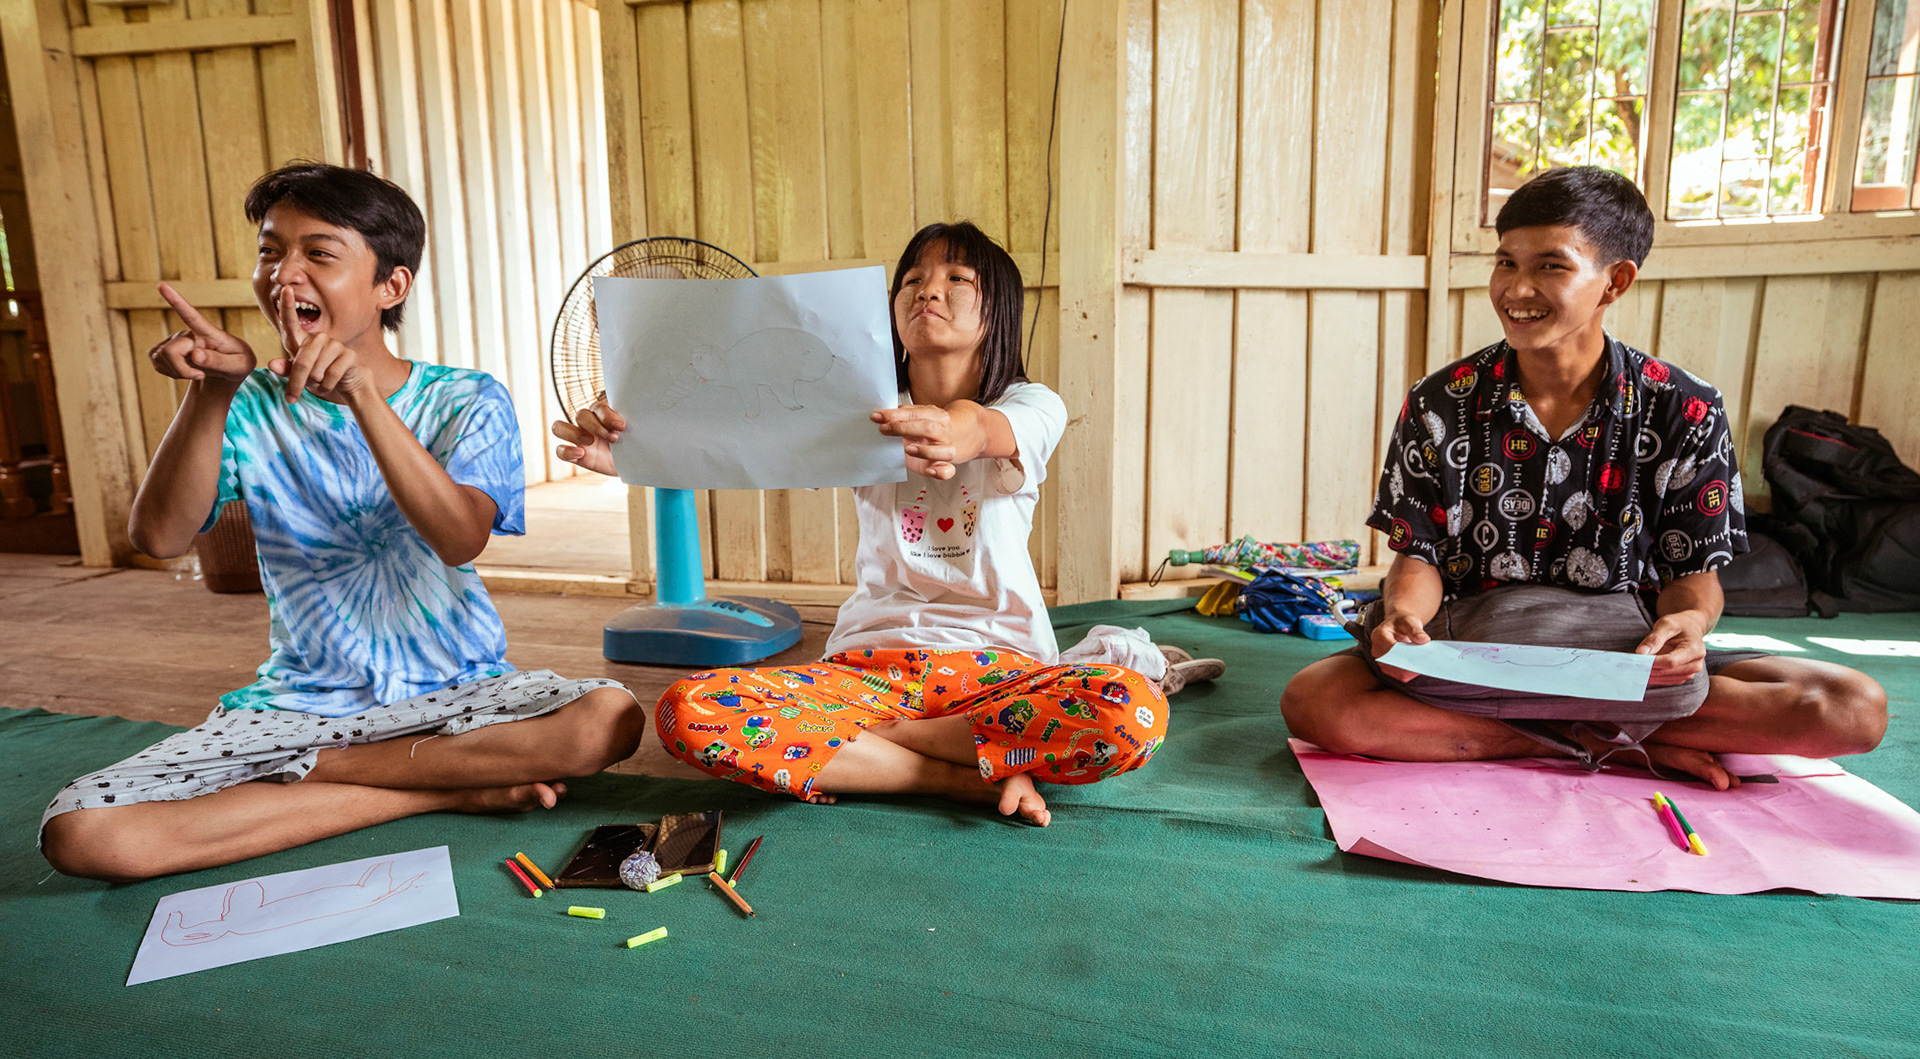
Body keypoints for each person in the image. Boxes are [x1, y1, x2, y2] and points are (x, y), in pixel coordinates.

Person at [40, 163, 644, 882]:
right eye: (271, 252)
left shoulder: (467, 398)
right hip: (298, 703)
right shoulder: (246, 401)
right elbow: (159, 539)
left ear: (392, 285)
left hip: (460, 695)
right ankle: (425, 794)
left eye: (317, 253)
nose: (283, 275)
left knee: (610, 718)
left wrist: (362, 398)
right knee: (84, 834)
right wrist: (213, 394)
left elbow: (460, 537)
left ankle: (326, 771)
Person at [1280, 166, 1887, 790]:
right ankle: (1595, 739)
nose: (1516, 289)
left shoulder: (1685, 406)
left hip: (1618, 657)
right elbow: (1418, 557)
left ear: (1614, 282)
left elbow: (1692, 582)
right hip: (1473, 652)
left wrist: (1689, 627)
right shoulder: (1442, 401)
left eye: (1550, 266)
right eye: (1505, 262)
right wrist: (1403, 618)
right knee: (1317, 701)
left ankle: (1539, 730)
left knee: (1849, 707)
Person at [555, 222, 1182, 825]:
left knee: (1133, 714)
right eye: (912, 280)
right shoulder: (858, 413)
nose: (928, 290)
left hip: (1001, 670)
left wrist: (955, 430)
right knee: (689, 711)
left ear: (999, 314)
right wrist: (636, 451)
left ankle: (872, 750)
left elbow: (977, 429)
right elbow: (744, 442)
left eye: (958, 277)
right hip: (865, 668)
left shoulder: (1030, 405)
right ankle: (963, 773)